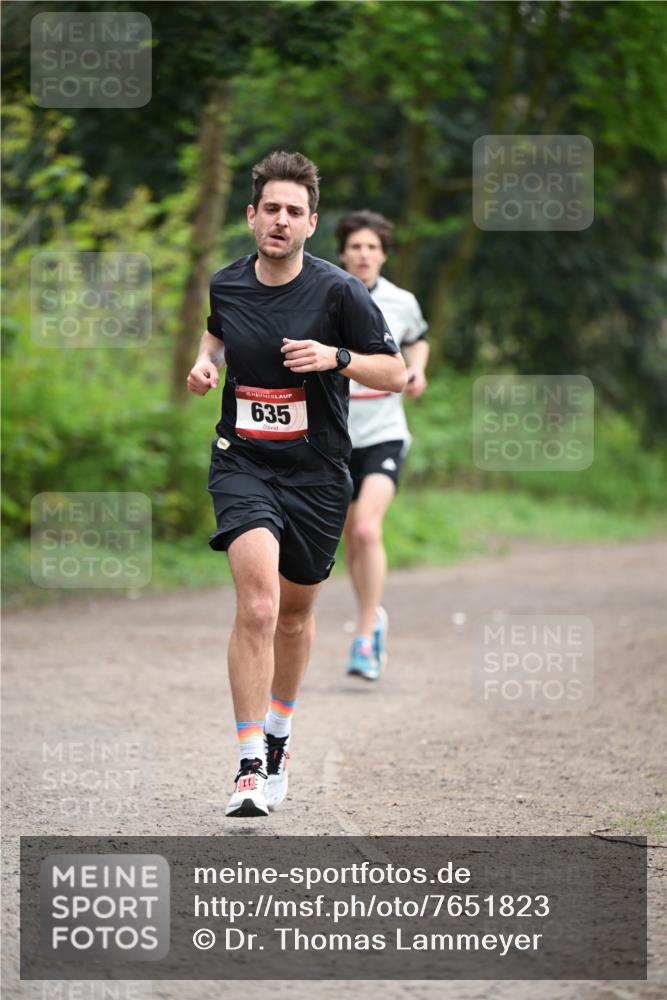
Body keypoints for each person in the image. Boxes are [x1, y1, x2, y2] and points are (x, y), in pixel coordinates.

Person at [187, 153, 406, 818]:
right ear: (251, 216)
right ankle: (249, 763)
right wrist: (204, 363)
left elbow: (393, 373)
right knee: (256, 606)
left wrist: (336, 358)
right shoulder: (227, 285)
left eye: (293, 211)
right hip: (243, 461)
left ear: (311, 224)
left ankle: (279, 731)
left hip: (316, 473)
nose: (280, 220)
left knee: (293, 615)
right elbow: (218, 336)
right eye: (269, 209)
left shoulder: (340, 291)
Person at [336, 210, 429, 681]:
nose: (364, 255)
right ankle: (371, 614)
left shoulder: (400, 300)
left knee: (368, 530)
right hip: (336, 436)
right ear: (343, 253)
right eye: (355, 247)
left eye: (372, 247)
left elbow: (418, 339)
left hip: (384, 434)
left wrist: (418, 370)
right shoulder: (327, 295)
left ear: (383, 255)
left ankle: (366, 631)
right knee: (352, 536)